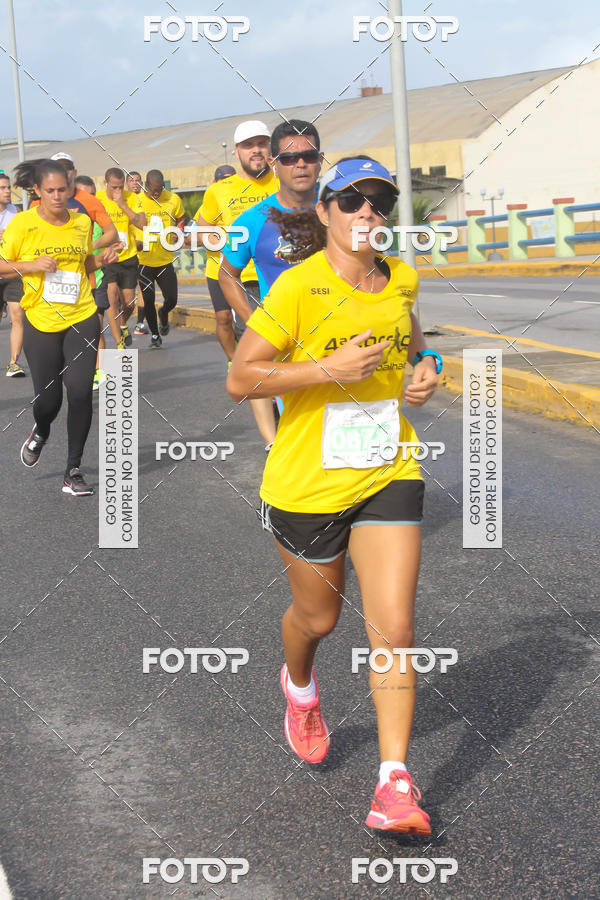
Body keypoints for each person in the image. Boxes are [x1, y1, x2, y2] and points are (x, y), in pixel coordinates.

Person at [227, 157, 441, 834]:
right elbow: (241, 379)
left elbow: (416, 346)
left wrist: (424, 373)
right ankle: (299, 686)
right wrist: (327, 368)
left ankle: (394, 784)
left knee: (395, 628)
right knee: (318, 619)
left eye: (380, 202)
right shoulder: (297, 288)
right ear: (323, 212)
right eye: (352, 201)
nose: (367, 214)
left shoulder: (401, 278)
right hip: (307, 485)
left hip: (387, 469)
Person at [0, 159, 117, 496]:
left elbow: (83, 264)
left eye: (61, 190)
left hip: (81, 315)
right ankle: (40, 429)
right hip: (41, 320)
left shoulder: (81, 222)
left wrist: (102, 259)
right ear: (36, 191)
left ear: (70, 188)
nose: (56, 196)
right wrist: (31, 264)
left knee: (80, 392)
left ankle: (73, 469)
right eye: (49, 191)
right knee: (48, 401)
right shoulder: (23, 224)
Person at [194, 120, 279, 445]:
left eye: (262, 143)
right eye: (249, 145)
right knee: (259, 357)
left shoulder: (283, 180)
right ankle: (272, 440)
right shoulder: (220, 190)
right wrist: (226, 244)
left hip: (286, 279)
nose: (256, 150)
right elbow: (202, 228)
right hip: (242, 281)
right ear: (237, 151)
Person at [132, 169, 185, 348]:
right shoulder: (136, 201)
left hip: (165, 259)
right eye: (153, 190)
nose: (157, 193)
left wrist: (179, 230)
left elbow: (181, 217)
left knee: (172, 298)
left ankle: (164, 313)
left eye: (159, 189)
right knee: (147, 299)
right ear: (146, 185)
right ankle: (155, 335)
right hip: (143, 260)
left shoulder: (172, 199)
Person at [97, 168, 146, 349]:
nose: (117, 191)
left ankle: (122, 324)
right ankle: (119, 341)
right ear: (106, 184)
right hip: (107, 256)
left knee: (129, 302)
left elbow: (142, 224)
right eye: (114, 187)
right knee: (111, 298)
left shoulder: (131, 198)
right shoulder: (98, 200)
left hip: (128, 256)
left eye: (120, 187)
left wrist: (123, 205)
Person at [75, 175, 109, 390]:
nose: (91, 200)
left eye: (93, 195)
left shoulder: (99, 219)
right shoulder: (70, 222)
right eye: (86, 195)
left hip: (96, 280)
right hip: (72, 285)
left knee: (96, 325)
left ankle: (100, 371)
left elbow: (112, 236)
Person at [0, 172, 26, 376]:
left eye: (8, 187)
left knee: (17, 315)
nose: (8, 191)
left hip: (11, 271)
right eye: (3, 188)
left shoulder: (14, 211)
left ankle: (13, 363)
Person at [126, 171, 149, 334]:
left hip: (146, 249)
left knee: (143, 287)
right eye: (131, 180)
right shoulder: (123, 200)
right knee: (125, 292)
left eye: (138, 180)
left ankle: (140, 323)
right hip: (127, 251)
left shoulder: (147, 199)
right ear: (127, 183)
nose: (135, 183)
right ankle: (122, 323)